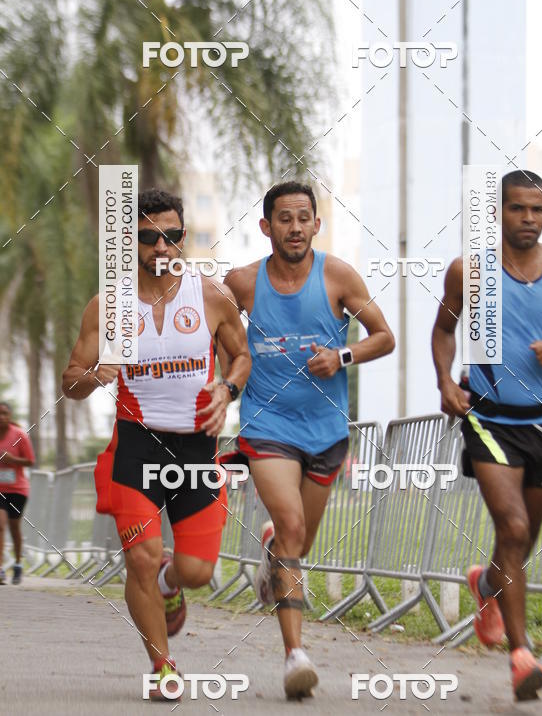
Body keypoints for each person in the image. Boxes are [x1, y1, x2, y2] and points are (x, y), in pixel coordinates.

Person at [62, 189, 251, 700]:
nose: (160, 247)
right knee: (140, 558)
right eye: (148, 237)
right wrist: (96, 375)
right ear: (132, 242)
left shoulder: (211, 295)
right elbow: (70, 380)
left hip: (196, 450)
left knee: (197, 571)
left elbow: (242, 356)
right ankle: (163, 666)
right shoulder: (110, 305)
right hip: (136, 447)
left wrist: (227, 388)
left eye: (170, 236)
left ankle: (172, 583)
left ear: (183, 239)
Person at [432, 169, 542, 702]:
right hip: (489, 418)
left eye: (538, 209)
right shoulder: (471, 271)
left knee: (518, 544)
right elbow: (443, 330)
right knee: (513, 524)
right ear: (498, 213)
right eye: (518, 209)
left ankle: (486, 585)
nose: (529, 219)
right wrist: (445, 382)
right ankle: (522, 655)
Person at [222, 181, 395, 699]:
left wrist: (342, 356)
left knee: (298, 544)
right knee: (292, 523)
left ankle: (275, 556)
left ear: (316, 224)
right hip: (267, 426)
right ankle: (295, 655)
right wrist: (220, 385)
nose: (294, 228)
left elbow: (384, 337)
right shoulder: (243, 283)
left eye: (304, 218)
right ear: (265, 226)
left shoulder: (338, 275)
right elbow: (215, 329)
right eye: (284, 218)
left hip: (325, 429)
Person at [0, 401, 35, 585]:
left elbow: (30, 462)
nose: (1, 417)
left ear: (10, 416)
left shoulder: (19, 435)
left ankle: (18, 564)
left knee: (14, 528)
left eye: (5, 413)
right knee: (0, 525)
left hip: (17, 489)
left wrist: (12, 459)